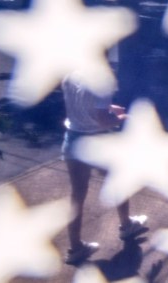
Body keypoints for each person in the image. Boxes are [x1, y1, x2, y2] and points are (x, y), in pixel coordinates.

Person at [61, 71, 147, 265]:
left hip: (73, 139)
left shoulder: (69, 75)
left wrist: (109, 107)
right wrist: (124, 118)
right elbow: (102, 120)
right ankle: (126, 226)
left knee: (77, 196)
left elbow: (81, 104)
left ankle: (76, 248)